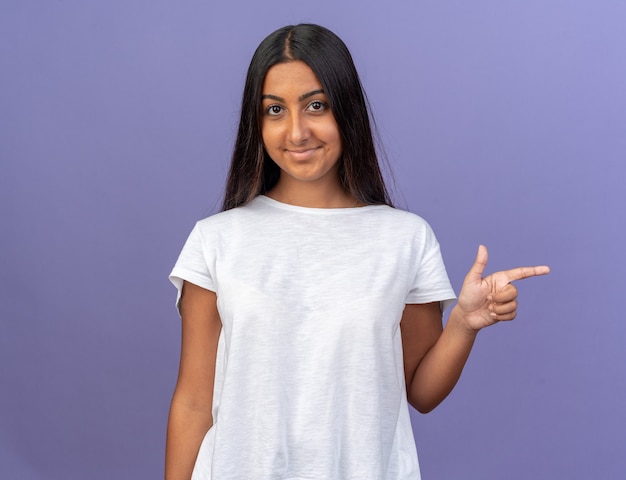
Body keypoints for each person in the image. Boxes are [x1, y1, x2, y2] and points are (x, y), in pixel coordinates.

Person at [165, 24, 550, 480]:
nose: (297, 131)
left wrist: (465, 325)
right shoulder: (216, 241)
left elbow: (421, 393)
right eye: (274, 110)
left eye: (316, 105)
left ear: (345, 109)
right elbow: (192, 402)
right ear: (257, 122)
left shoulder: (405, 238)